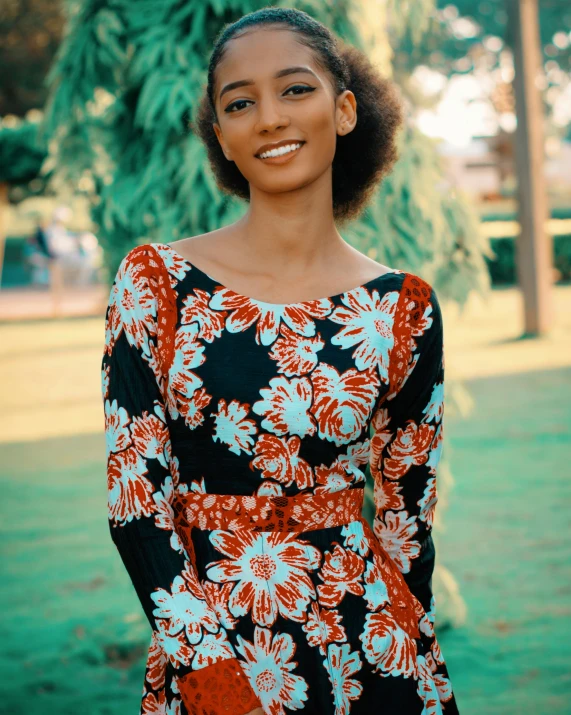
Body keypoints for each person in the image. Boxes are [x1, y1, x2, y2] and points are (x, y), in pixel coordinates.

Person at [101, 7, 460, 715]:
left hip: (372, 653)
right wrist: (210, 674)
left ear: (345, 110)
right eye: (240, 103)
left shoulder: (401, 309)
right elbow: (135, 502)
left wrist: (403, 653)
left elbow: (405, 520)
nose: (268, 117)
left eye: (295, 89)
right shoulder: (155, 284)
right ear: (223, 138)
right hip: (215, 651)